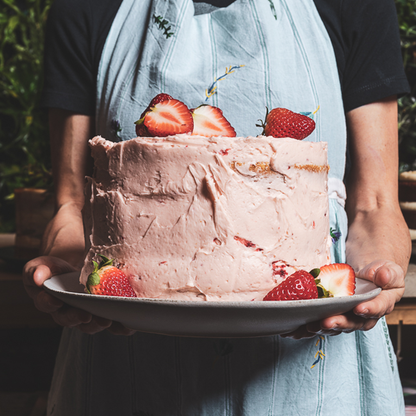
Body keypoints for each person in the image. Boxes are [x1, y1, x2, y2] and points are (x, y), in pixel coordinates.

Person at [23, 0, 411, 414]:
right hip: (125, 356)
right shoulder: (83, 8)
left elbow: (376, 203)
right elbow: (72, 202)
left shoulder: (358, 5)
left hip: (311, 365)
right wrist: (67, 271)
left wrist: (379, 268)